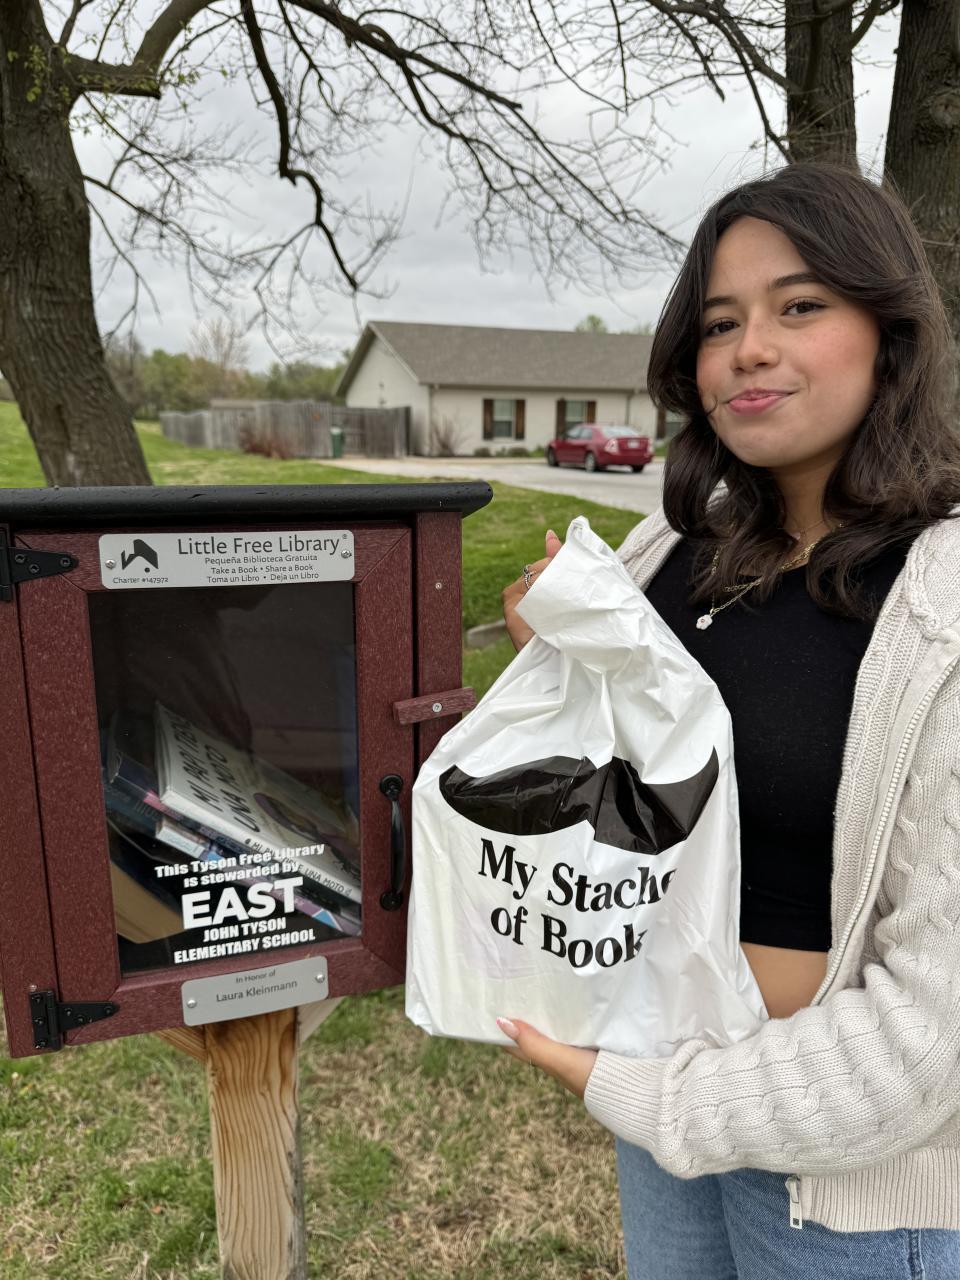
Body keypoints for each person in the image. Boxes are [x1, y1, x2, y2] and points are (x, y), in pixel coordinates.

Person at [498, 162, 960, 1278]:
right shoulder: (669, 553)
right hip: (662, 1099)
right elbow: (627, 793)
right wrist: (561, 661)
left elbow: (932, 1034)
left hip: (850, 1179)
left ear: (889, 334)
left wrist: (650, 1092)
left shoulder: (942, 601)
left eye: (799, 307)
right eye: (719, 322)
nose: (749, 348)